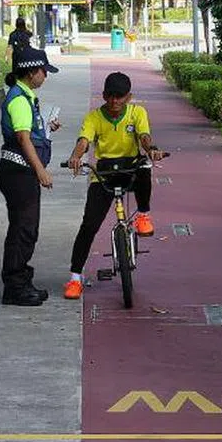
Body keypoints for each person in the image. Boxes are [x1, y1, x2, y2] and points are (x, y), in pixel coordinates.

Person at [63, 71, 165, 300]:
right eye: (110, 96)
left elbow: (144, 137)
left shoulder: (138, 113)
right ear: (103, 95)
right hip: (105, 172)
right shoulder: (93, 118)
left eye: (120, 97)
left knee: (145, 168)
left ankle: (143, 215)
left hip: (129, 168)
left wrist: (151, 150)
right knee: (88, 226)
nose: (114, 101)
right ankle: (74, 278)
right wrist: (76, 156)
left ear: (128, 97)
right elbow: (84, 141)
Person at [0, 44, 61, 306]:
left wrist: (47, 129)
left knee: (26, 228)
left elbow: (30, 133)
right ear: (32, 72)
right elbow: (23, 139)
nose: (45, 75)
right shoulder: (19, 99)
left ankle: (22, 279)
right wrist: (41, 171)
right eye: (44, 70)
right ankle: (15, 287)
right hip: (19, 172)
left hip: (21, 172)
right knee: (23, 229)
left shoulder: (24, 97)